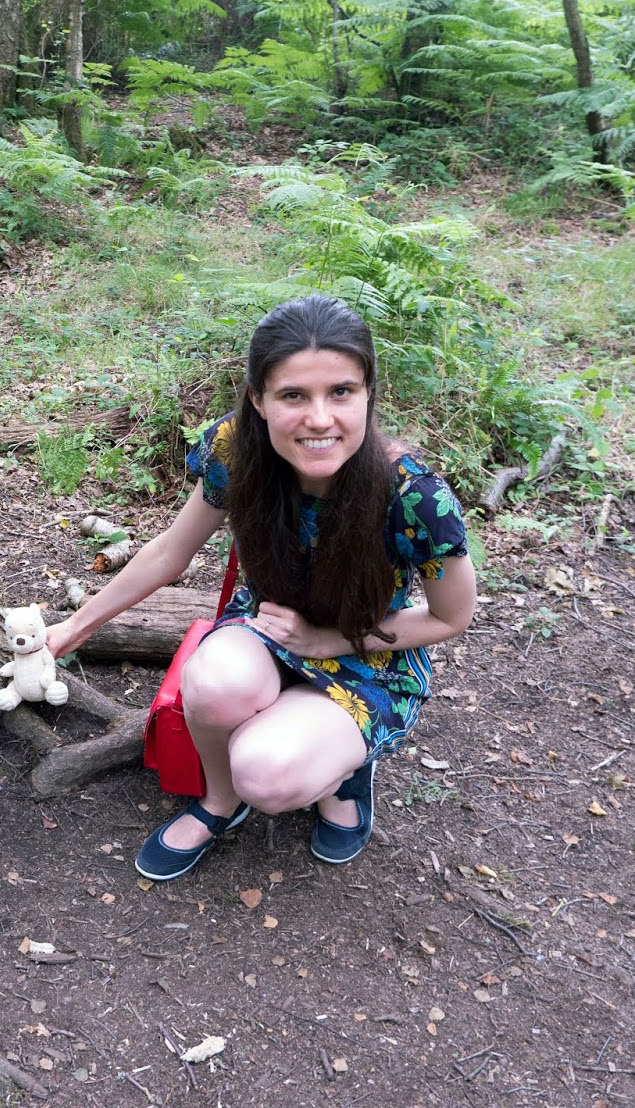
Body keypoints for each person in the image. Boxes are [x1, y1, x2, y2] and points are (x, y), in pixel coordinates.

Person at [45, 294, 476, 880]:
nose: (319, 418)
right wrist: (75, 626)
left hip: (370, 651)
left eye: (341, 392)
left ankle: (343, 768)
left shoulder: (414, 496)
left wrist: (329, 642)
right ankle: (221, 802)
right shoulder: (236, 450)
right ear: (258, 398)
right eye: (294, 395)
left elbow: (451, 618)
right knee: (216, 683)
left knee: (269, 773)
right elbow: (172, 552)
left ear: (369, 394)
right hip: (265, 626)